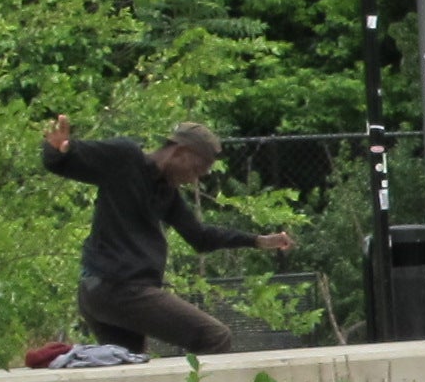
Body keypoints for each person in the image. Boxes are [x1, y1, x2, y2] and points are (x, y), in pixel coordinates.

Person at [39, 116, 294, 357]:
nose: (195, 178)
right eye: (197, 169)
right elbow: (65, 159)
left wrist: (257, 240)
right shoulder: (125, 158)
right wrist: (56, 148)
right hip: (117, 287)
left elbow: (200, 237)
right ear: (180, 152)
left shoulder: (166, 193)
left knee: (129, 369)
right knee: (214, 336)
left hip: (103, 292)